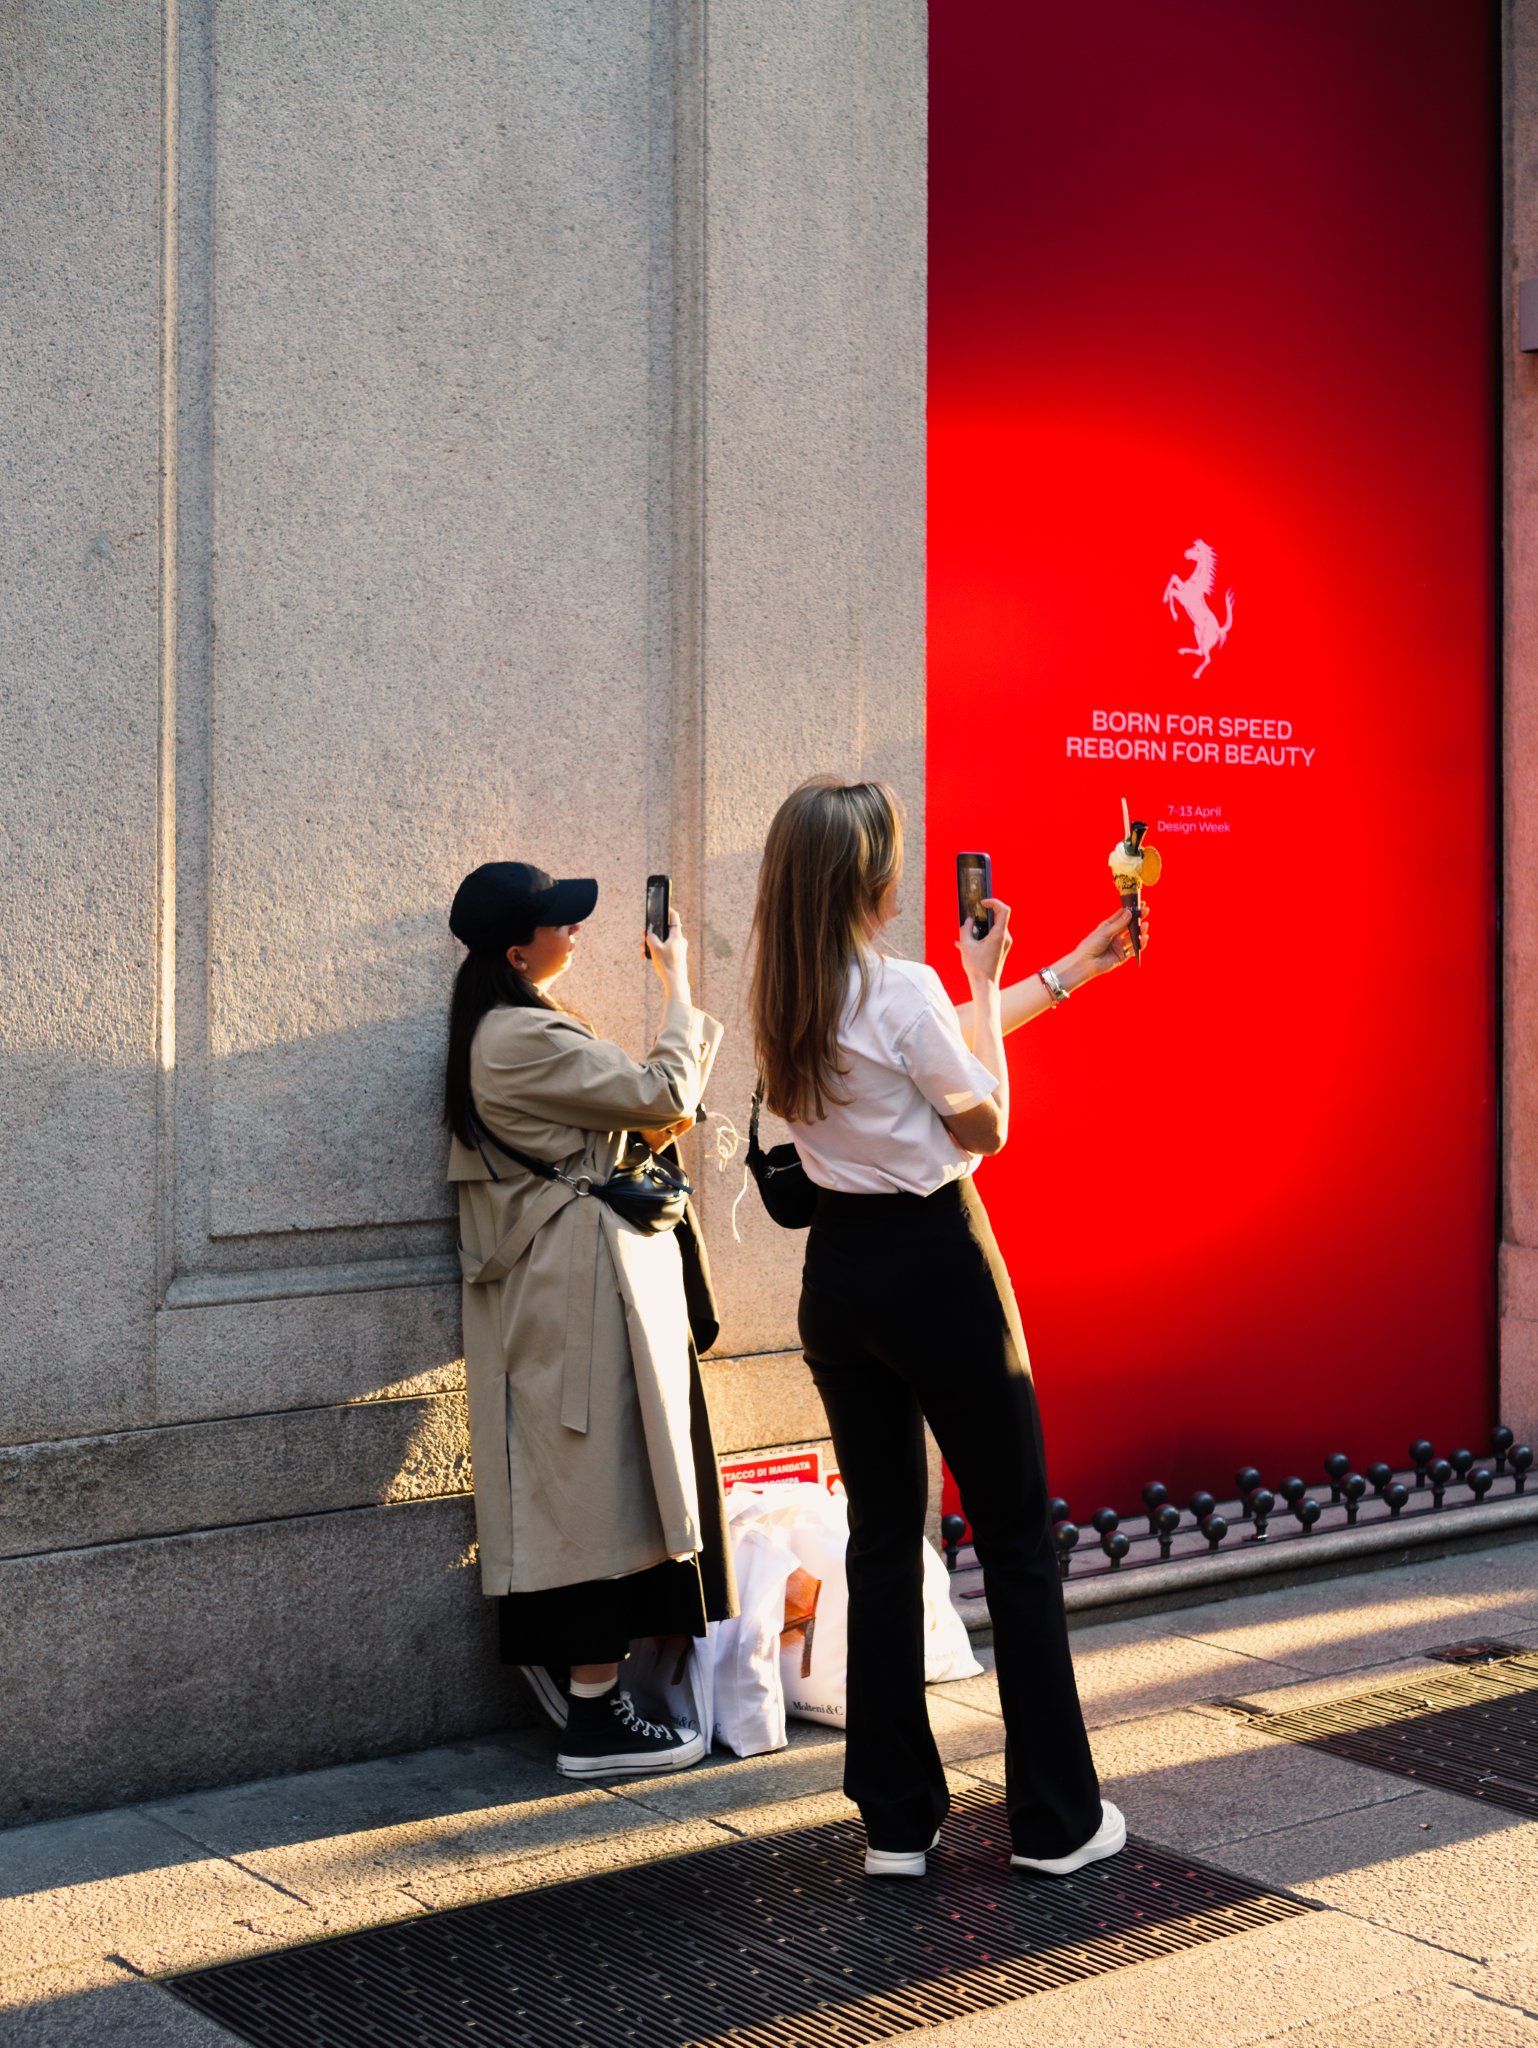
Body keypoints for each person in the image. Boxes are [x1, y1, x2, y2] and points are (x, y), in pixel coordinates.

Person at [749, 778, 1146, 1879]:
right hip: (937, 1262)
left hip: (840, 1278)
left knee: (881, 1538)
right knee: (1015, 1539)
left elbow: (925, 1058)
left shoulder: (785, 993)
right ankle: (1057, 1822)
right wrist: (977, 976)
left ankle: (895, 1823)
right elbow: (986, 1120)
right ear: (865, 879)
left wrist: (1062, 973)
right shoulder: (904, 986)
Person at [445, 859, 736, 1779]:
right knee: (591, 1497)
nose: (575, 931)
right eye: (560, 922)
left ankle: (601, 1704)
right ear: (515, 950)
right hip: (577, 1296)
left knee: (600, 1489)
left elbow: (627, 1122)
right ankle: (596, 1717)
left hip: (576, 1287)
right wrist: (678, 986)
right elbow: (663, 1097)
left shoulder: (510, 1025)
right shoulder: (517, 1035)